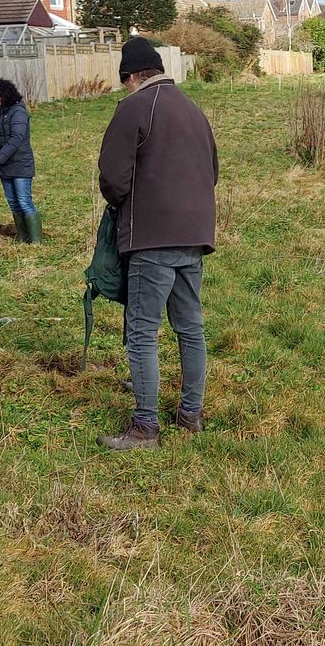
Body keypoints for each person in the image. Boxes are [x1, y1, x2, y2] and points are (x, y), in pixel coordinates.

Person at [95, 37, 219, 450]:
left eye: (123, 81)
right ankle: (191, 414)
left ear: (130, 77)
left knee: (142, 331)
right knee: (190, 327)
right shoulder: (194, 110)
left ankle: (145, 428)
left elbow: (112, 177)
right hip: (196, 235)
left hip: (152, 237)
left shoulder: (133, 108)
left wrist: (123, 207)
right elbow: (213, 172)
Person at [0, 78, 41, 243]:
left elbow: (17, 138)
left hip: (21, 164)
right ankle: (23, 238)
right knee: (13, 204)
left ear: (7, 95)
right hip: (5, 167)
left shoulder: (18, 112)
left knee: (24, 201)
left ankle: (36, 241)